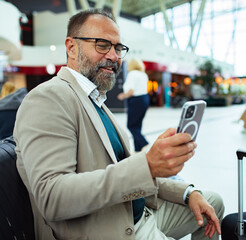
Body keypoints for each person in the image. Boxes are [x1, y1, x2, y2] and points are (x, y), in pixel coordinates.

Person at [13, 9, 224, 240]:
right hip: (112, 227)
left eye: (118, 48)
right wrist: (148, 166)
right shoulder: (49, 98)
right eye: (102, 45)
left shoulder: (95, 101)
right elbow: (52, 197)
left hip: (139, 211)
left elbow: (125, 167)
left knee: (213, 203)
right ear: (72, 47)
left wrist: (187, 193)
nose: (114, 56)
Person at [117, 58, 150, 152]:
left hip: (135, 100)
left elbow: (131, 91)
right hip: (144, 99)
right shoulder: (143, 74)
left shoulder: (132, 74)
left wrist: (123, 96)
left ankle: (145, 144)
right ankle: (137, 149)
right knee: (137, 126)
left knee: (131, 126)